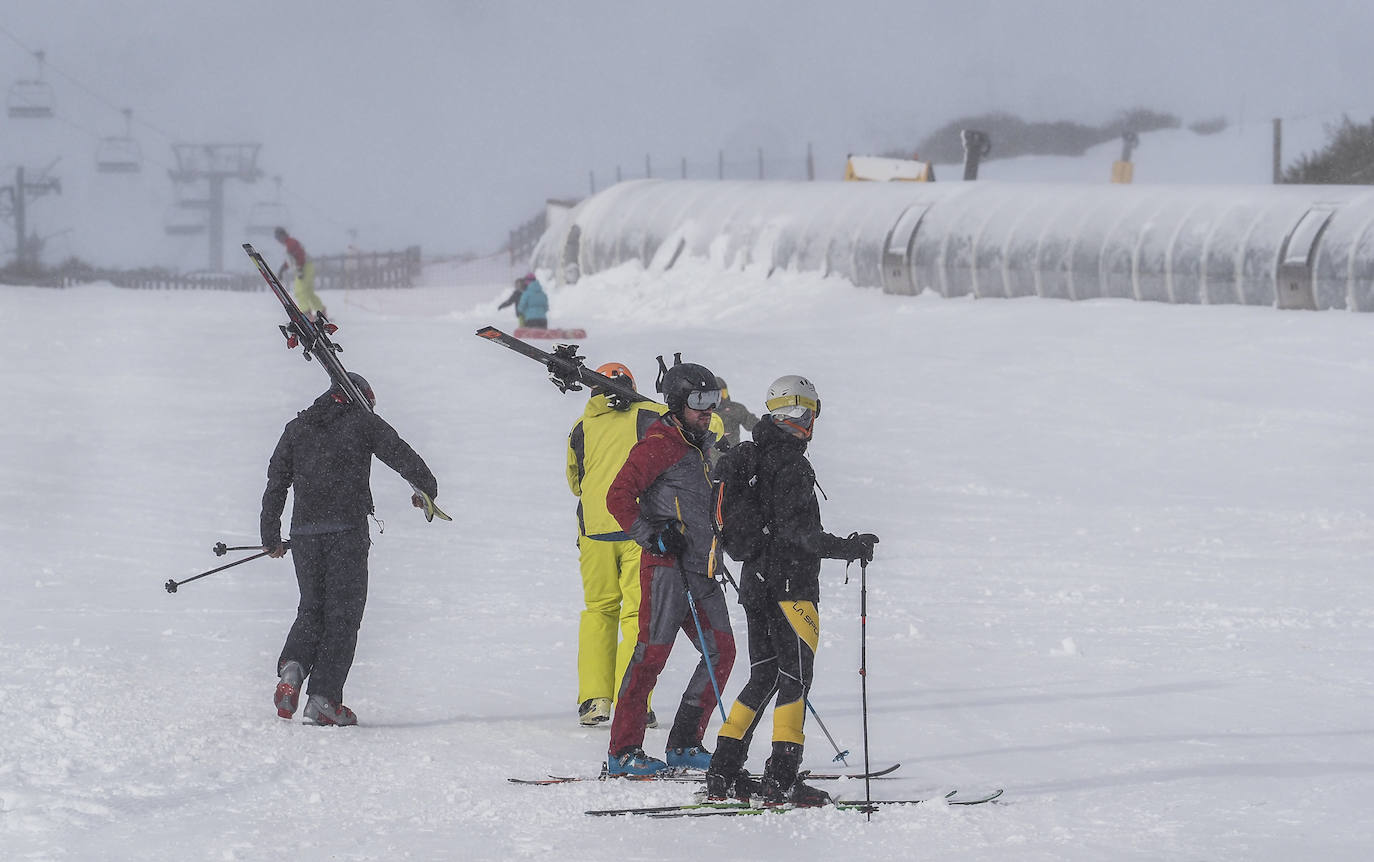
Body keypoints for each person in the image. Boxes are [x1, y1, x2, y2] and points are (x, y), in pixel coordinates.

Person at [704, 374, 879, 806]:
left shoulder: (751, 455)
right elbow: (799, 535)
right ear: (804, 415)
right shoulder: (792, 464)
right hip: (790, 586)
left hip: (754, 583)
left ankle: (722, 772)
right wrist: (849, 548)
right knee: (795, 678)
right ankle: (781, 779)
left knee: (763, 674)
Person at [261, 372, 440, 726]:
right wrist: (426, 486)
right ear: (363, 399)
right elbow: (398, 451)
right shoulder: (363, 421)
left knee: (312, 608)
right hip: (346, 532)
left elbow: (276, 481)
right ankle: (324, 699)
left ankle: (292, 673)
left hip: (305, 534)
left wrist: (271, 535)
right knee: (342, 617)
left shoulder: (297, 428)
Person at [604, 361, 735, 775]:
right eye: (698, 401)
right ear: (678, 403)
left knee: (722, 652)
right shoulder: (658, 444)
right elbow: (618, 496)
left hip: (702, 568)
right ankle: (623, 751)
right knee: (651, 657)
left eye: (712, 400)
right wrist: (652, 534)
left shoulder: (703, 446)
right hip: (666, 569)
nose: (707, 409)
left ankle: (684, 742)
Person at [567, 363, 671, 727]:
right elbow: (701, 425)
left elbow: (576, 482)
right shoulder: (646, 415)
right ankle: (633, 700)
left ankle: (594, 700)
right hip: (635, 527)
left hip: (593, 530)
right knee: (635, 617)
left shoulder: (581, 427)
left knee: (598, 611)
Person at [274, 227, 327, 322]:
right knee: (308, 292)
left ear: (282, 235)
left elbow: (299, 255)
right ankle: (321, 311)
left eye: (278, 237)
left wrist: (300, 269)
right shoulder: (289, 243)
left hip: (304, 267)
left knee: (300, 291)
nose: (278, 240)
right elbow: (291, 260)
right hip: (307, 266)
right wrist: (282, 269)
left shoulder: (290, 243)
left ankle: (306, 314)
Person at [713, 375, 759, 449]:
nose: (721, 398)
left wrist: (765, 426)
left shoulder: (735, 409)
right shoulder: (705, 412)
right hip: (709, 458)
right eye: (718, 395)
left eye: (724, 393)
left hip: (732, 455)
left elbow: (753, 424)